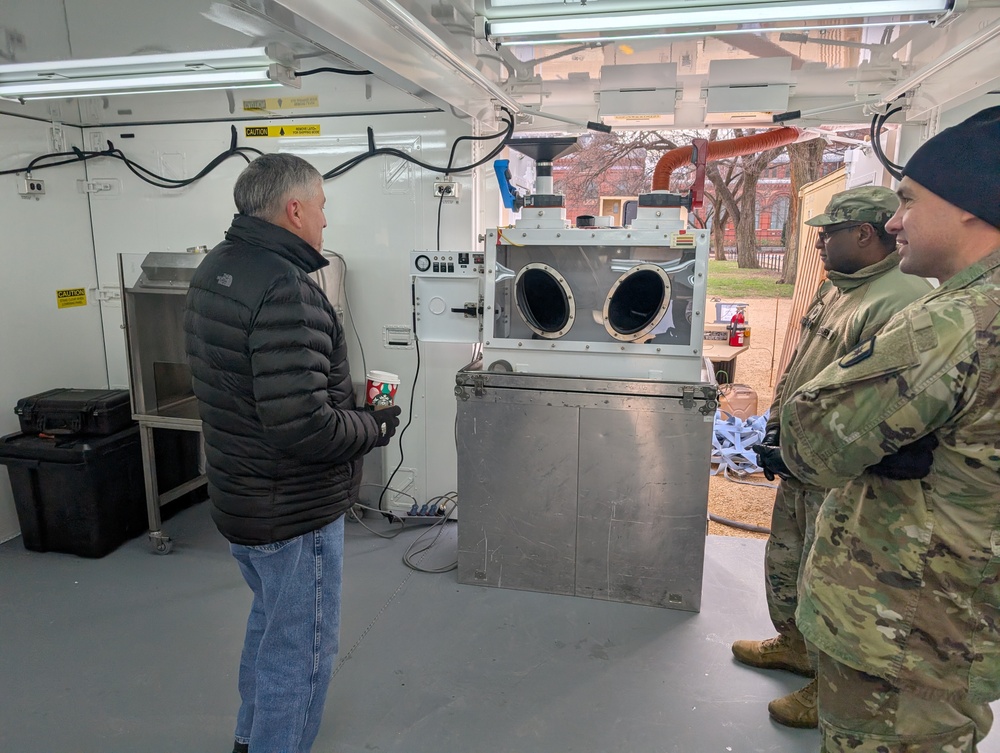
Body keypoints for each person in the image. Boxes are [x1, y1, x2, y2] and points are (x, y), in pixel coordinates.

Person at [776, 105, 1000, 751]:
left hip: (901, 626)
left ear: (969, 204)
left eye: (908, 201)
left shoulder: (949, 323)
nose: (895, 221)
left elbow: (812, 443)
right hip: (961, 621)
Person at [184, 152, 401, 753]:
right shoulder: (285, 288)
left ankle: (250, 739)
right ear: (295, 208)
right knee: (301, 652)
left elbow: (259, 390)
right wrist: (373, 426)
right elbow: (301, 427)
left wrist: (339, 399)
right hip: (292, 508)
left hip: (241, 497)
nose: (326, 223)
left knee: (269, 628)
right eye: (323, 207)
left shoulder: (216, 269)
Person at [730, 187, 931, 728]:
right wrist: (780, 435)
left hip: (845, 474)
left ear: (865, 233)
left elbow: (880, 407)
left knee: (833, 579)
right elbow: (805, 367)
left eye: (829, 232)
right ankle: (796, 645)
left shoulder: (901, 299)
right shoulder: (840, 288)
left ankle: (830, 686)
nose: (818, 242)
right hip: (804, 459)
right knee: (789, 558)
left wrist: (813, 452)